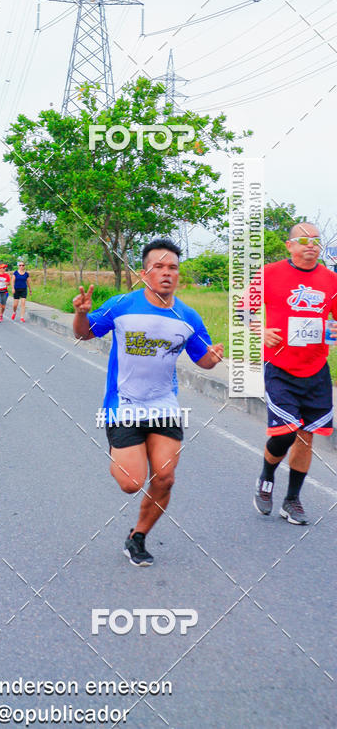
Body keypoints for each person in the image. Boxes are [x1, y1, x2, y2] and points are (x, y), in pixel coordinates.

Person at [73, 238, 224, 567]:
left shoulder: (188, 317)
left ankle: (137, 537)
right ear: (144, 274)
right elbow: (84, 334)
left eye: (173, 268)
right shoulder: (121, 305)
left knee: (165, 478)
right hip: (124, 405)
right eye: (159, 267)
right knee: (130, 483)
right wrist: (81, 314)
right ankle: (122, 451)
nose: (167, 273)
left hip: (163, 406)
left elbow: (203, 359)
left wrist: (212, 359)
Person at [250, 223, 337, 525]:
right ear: (290, 246)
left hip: (316, 369)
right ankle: (267, 476)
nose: (310, 245)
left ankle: (292, 500)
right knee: (286, 432)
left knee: (306, 435)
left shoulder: (331, 280)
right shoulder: (269, 273)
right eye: (303, 240)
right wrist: (260, 331)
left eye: (316, 240)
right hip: (280, 368)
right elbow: (243, 310)